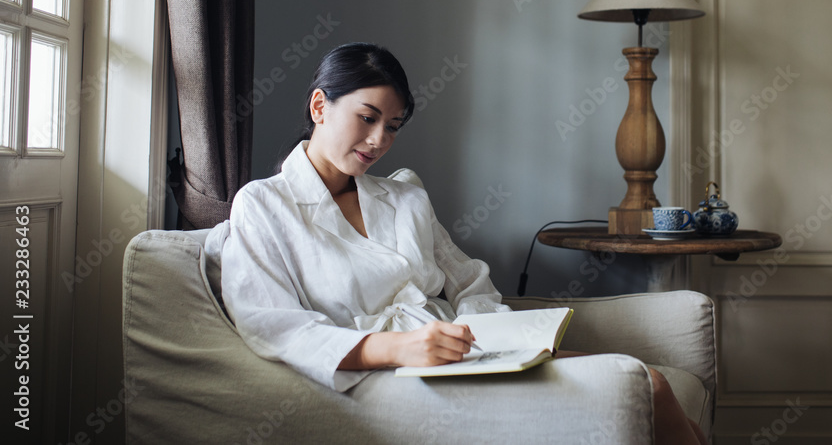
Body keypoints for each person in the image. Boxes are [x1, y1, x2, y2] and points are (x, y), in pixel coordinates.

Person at [218, 42, 706, 445]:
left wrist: (505, 341)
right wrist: (393, 347)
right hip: (380, 372)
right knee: (649, 386)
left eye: (392, 126)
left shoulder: (403, 196)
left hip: (465, 354)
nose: (378, 140)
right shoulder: (264, 205)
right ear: (320, 106)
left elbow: (469, 280)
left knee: (647, 382)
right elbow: (273, 325)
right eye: (367, 118)